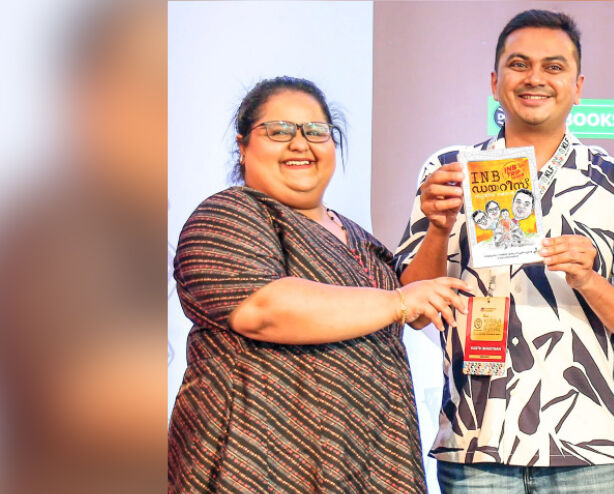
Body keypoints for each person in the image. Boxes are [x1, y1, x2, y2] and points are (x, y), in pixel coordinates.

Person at [394, 10, 614, 493]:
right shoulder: (450, 171)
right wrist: (438, 229)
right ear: (495, 82)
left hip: (587, 447)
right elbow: (411, 310)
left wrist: (588, 280)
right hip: (474, 443)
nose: (535, 78)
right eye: (519, 64)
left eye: (553, 67)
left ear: (578, 87)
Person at [167, 76, 469, 493]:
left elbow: (415, 313)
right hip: (260, 466)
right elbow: (264, 310)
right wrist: (399, 301)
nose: (299, 144)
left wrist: (438, 228)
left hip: (367, 463)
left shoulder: (358, 237)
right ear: (243, 146)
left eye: (315, 131)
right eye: (278, 131)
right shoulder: (226, 215)